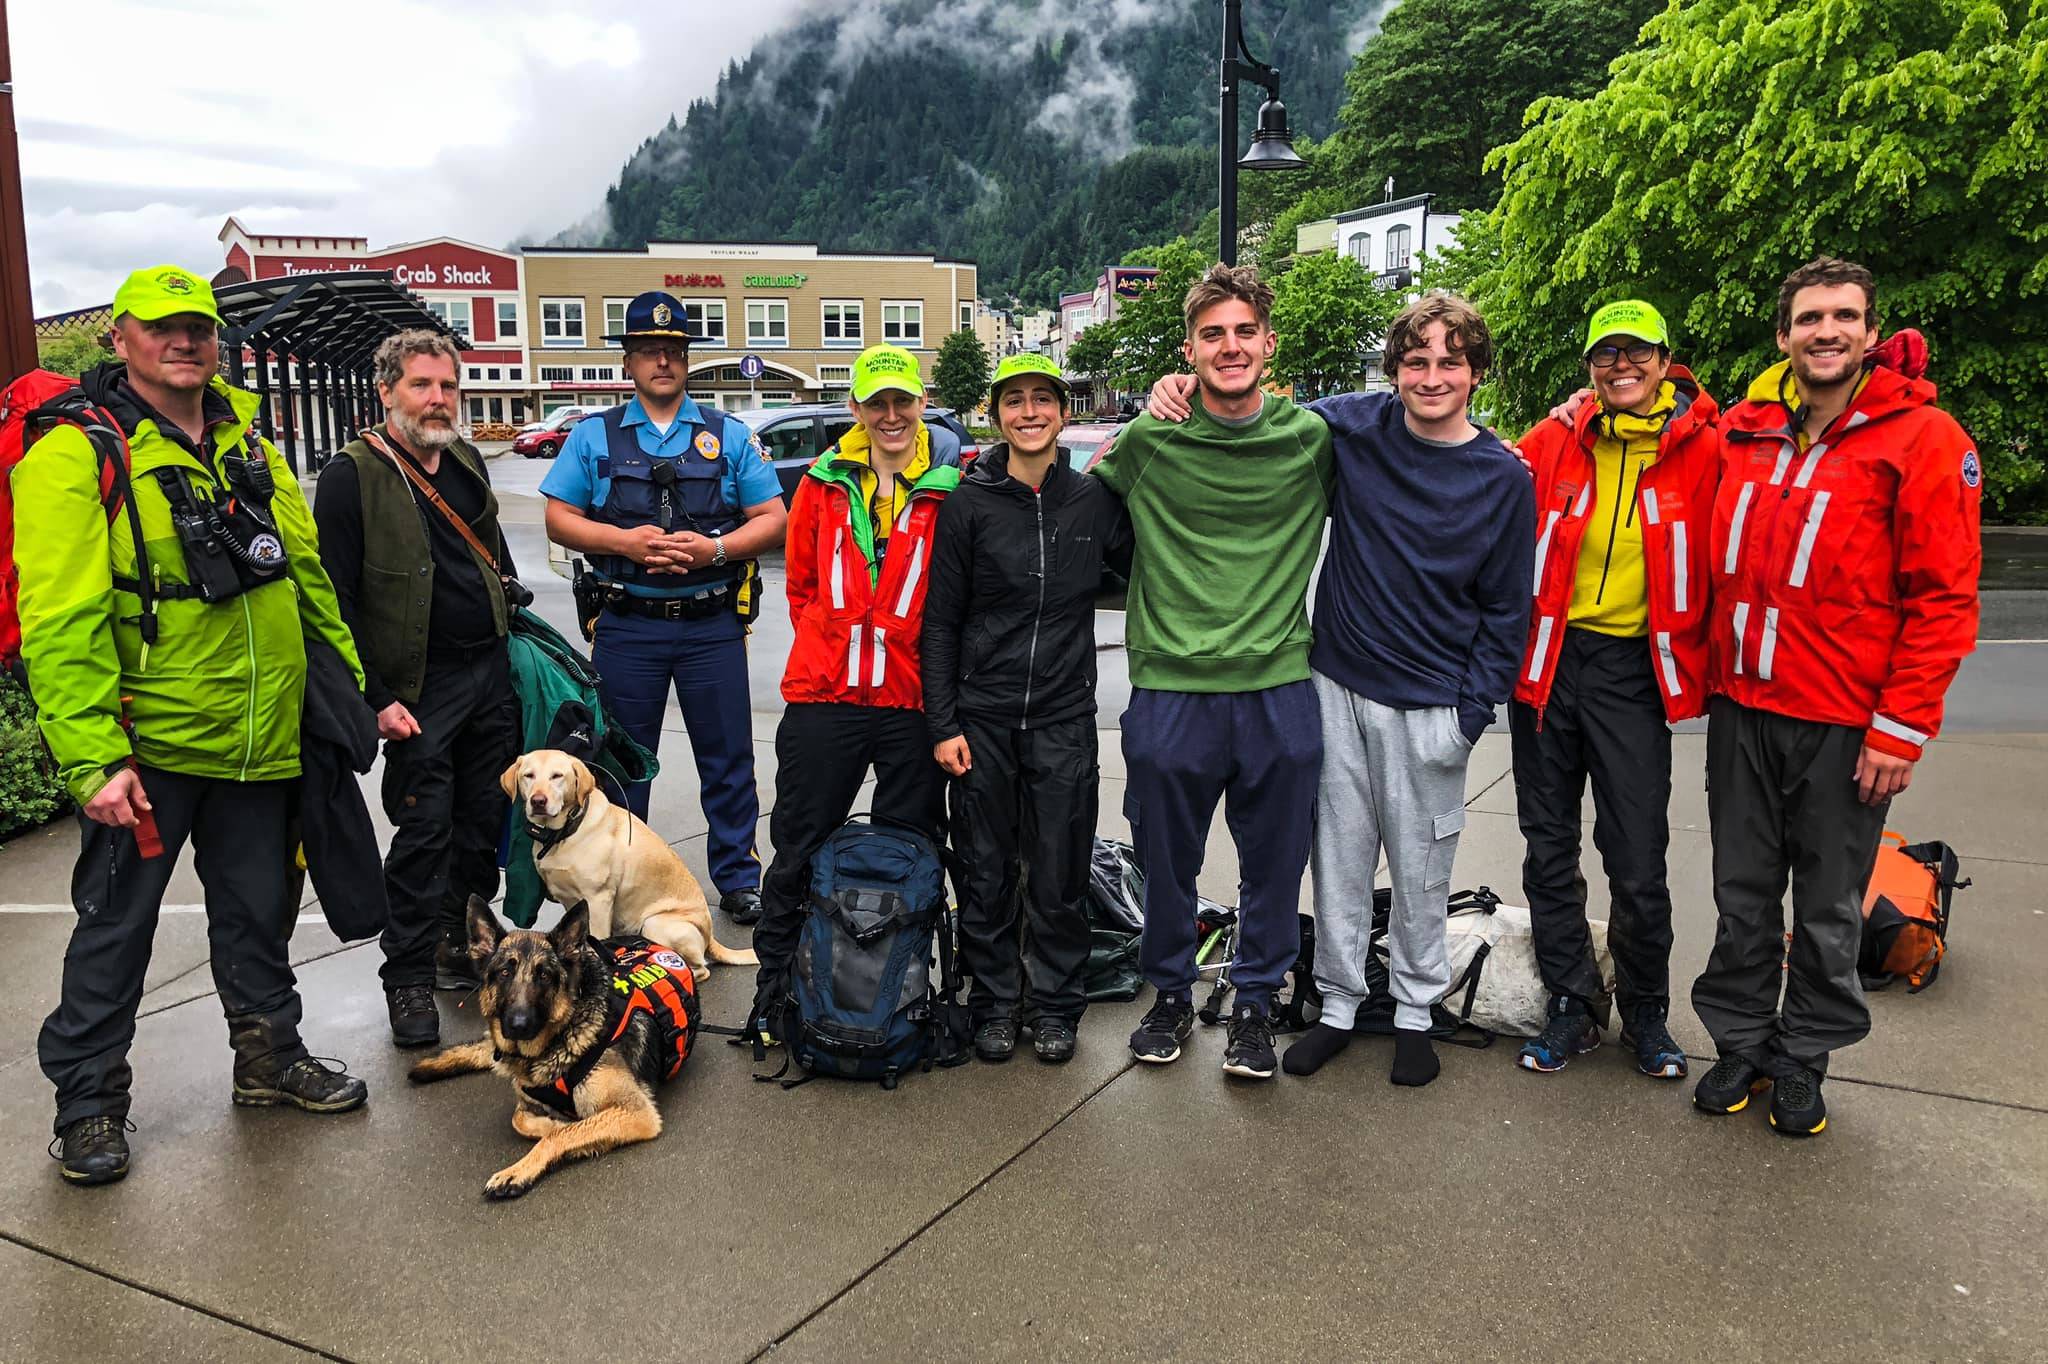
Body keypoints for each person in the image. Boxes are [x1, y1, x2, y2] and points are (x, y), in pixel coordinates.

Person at [15, 266, 370, 1187]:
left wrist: (348, 695)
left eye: (201, 329)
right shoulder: (76, 454)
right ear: (121, 338)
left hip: (259, 740)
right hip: (151, 749)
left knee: (257, 918)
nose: (186, 343)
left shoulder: (249, 438)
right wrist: (93, 757)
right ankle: (89, 1105)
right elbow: (61, 617)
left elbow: (305, 576)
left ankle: (268, 1059)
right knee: (116, 929)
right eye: (165, 328)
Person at [1147, 293, 1534, 1087]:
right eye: (1416, 360)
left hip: (1432, 705)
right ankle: (1337, 1007)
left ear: (1475, 373)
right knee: (1340, 864)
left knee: (1425, 870)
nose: (1431, 376)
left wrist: (1470, 715)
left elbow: (1507, 608)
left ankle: (1418, 1014)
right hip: (1338, 686)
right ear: (1393, 369)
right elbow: (1247, 401)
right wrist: (1174, 389)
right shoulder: (1352, 427)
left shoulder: (1502, 476)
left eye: (1449, 362)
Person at [1690, 257, 1979, 1137]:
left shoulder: (1924, 440)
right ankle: (1740, 1041)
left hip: (1845, 723)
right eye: (1810, 317)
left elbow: (1944, 600)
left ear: (1867, 331)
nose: (1827, 332)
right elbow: (1651, 433)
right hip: (1743, 708)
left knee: (1825, 908)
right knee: (1742, 898)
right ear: (1782, 335)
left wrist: (1900, 729)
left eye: (1844, 317)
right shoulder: (1743, 434)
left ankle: (1803, 1057)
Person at [1092, 264, 1332, 1082]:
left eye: (1243, 332)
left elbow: (1416, 430)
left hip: (1278, 687)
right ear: (1189, 349)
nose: (1230, 347)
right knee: (1166, 862)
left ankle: (1257, 1002)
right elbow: (1067, 523)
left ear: (1268, 342)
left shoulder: (1311, 441)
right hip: (1171, 687)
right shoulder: (1147, 441)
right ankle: (1168, 992)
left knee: (1275, 864)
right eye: (1211, 335)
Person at [1507, 301, 1720, 1080]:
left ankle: (1648, 1014)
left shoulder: (1707, 446)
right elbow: (1480, 473)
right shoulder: (1557, 436)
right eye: (1605, 354)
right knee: (1548, 850)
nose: (1620, 365)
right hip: (1548, 666)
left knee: (1637, 860)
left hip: (1632, 674)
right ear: (1589, 367)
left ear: (1666, 360)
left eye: (1636, 352)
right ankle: (1572, 1004)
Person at [540, 291, 786, 926]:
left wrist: (715, 550)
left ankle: (737, 876)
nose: (662, 362)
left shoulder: (729, 437)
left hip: (711, 626)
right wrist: (624, 541)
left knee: (728, 757)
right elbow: (559, 517)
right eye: (649, 352)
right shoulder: (594, 437)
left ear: (687, 361)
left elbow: (773, 519)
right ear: (629, 363)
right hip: (627, 626)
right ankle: (622, 872)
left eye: (674, 351)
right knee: (623, 762)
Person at [922, 354, 1132, 1065]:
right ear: (996, 414)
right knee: (985, 868)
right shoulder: (969, 504)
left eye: (1044, 399)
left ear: (1064, 413)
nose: (1031, 412)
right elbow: (942, 620)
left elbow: (1150, 568)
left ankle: (1053, 1005)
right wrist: (943, 723)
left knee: (1060, 870)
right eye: (1015, 401)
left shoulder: (1094, 500)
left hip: (1063, 715)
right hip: (981, 717)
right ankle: (992, 1002)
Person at [747, 343, 962, 1033]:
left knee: (911, 850)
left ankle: (898, 992)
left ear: (921, 403)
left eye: (903, 401)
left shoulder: (953, 486)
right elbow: (803, 584)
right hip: (825, 697)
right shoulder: (821, 482)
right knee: (799, 845)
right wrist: (834, 643)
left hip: (910, 703)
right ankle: (775, 990)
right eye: (878, 403)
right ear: (857, 409)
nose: (892, 415)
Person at [315, 329, 520, 1047]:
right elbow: (331, 600)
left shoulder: (464, 458)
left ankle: (455, 944)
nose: (438, 400)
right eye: (421, 386)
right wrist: (372, 698)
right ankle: (405, 979)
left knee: (480, 823)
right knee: (423, 830)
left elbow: (494, 554)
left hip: (486, 672)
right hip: (418, 688)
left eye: (447, 387)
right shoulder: (353, 476)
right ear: (387, 391)